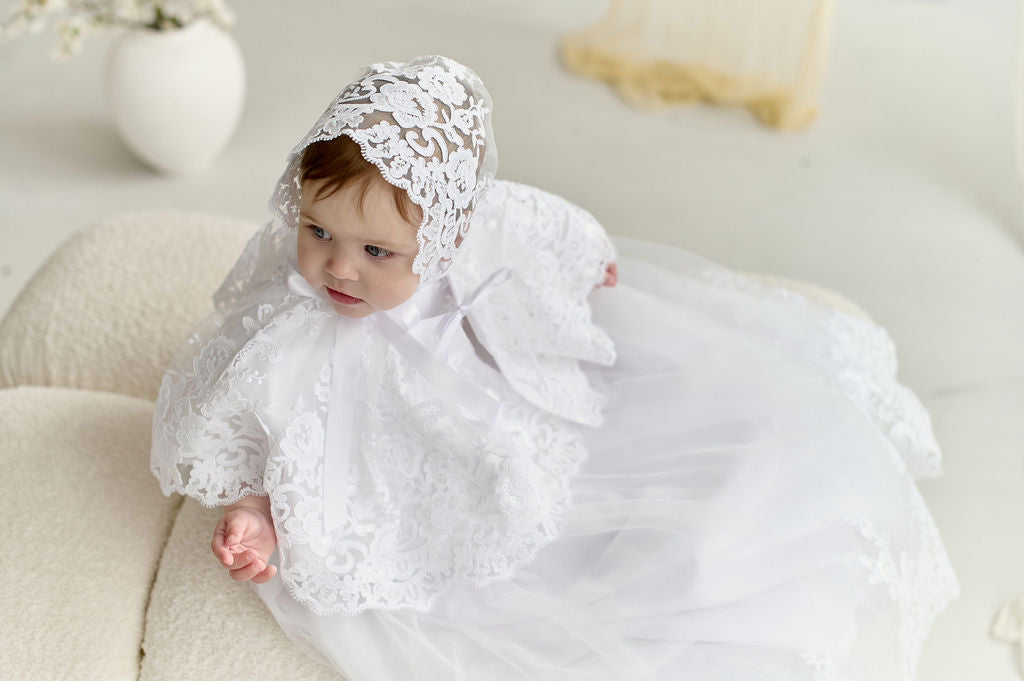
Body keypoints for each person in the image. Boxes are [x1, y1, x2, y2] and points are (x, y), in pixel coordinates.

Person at [151, 55, 958, 680]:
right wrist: (259, 511)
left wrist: (586, 262)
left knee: (693, 488)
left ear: (442, 234)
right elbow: (269, 426)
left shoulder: (471, 228)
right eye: (319, 231)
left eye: (376, 251)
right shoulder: (299, 329)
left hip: (499, 413)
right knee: (495, 595)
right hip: (391, 480)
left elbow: (541, 227)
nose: (340, 268)